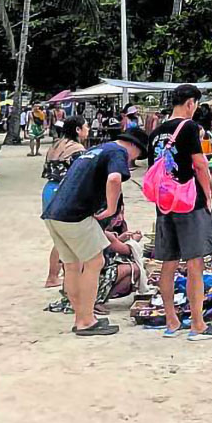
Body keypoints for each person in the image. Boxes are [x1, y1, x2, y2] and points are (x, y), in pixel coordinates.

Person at [41, 128, 147, 336]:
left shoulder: (97, 149)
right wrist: (110, 207)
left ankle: (81, 317)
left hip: (54, 212)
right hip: (76, 215)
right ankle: (86, 320)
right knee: (94, 263)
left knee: (72, 266)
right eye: (138, 156)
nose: (133, 161)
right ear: (134, 147)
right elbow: (114, 179)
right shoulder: (118, 153)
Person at [147, 84, 212, 341]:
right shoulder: (189, 127)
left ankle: (171, 321)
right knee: (194, 264)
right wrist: (209, 193)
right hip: (188, 201)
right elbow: (200, 165)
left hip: (164, 204)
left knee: (168, 263)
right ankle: (198, 324)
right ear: (190, 103)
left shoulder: (156, 133)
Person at [42, 115, 90, 288]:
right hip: (65, 192)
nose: (88, 130)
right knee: (71, 237)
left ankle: (52, 276)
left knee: (58, 237)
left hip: (49, 190)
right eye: (86, 126)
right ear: (78, 130)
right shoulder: (77, 148)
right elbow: (80, 176)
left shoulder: (55, 145)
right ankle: (62, 276)